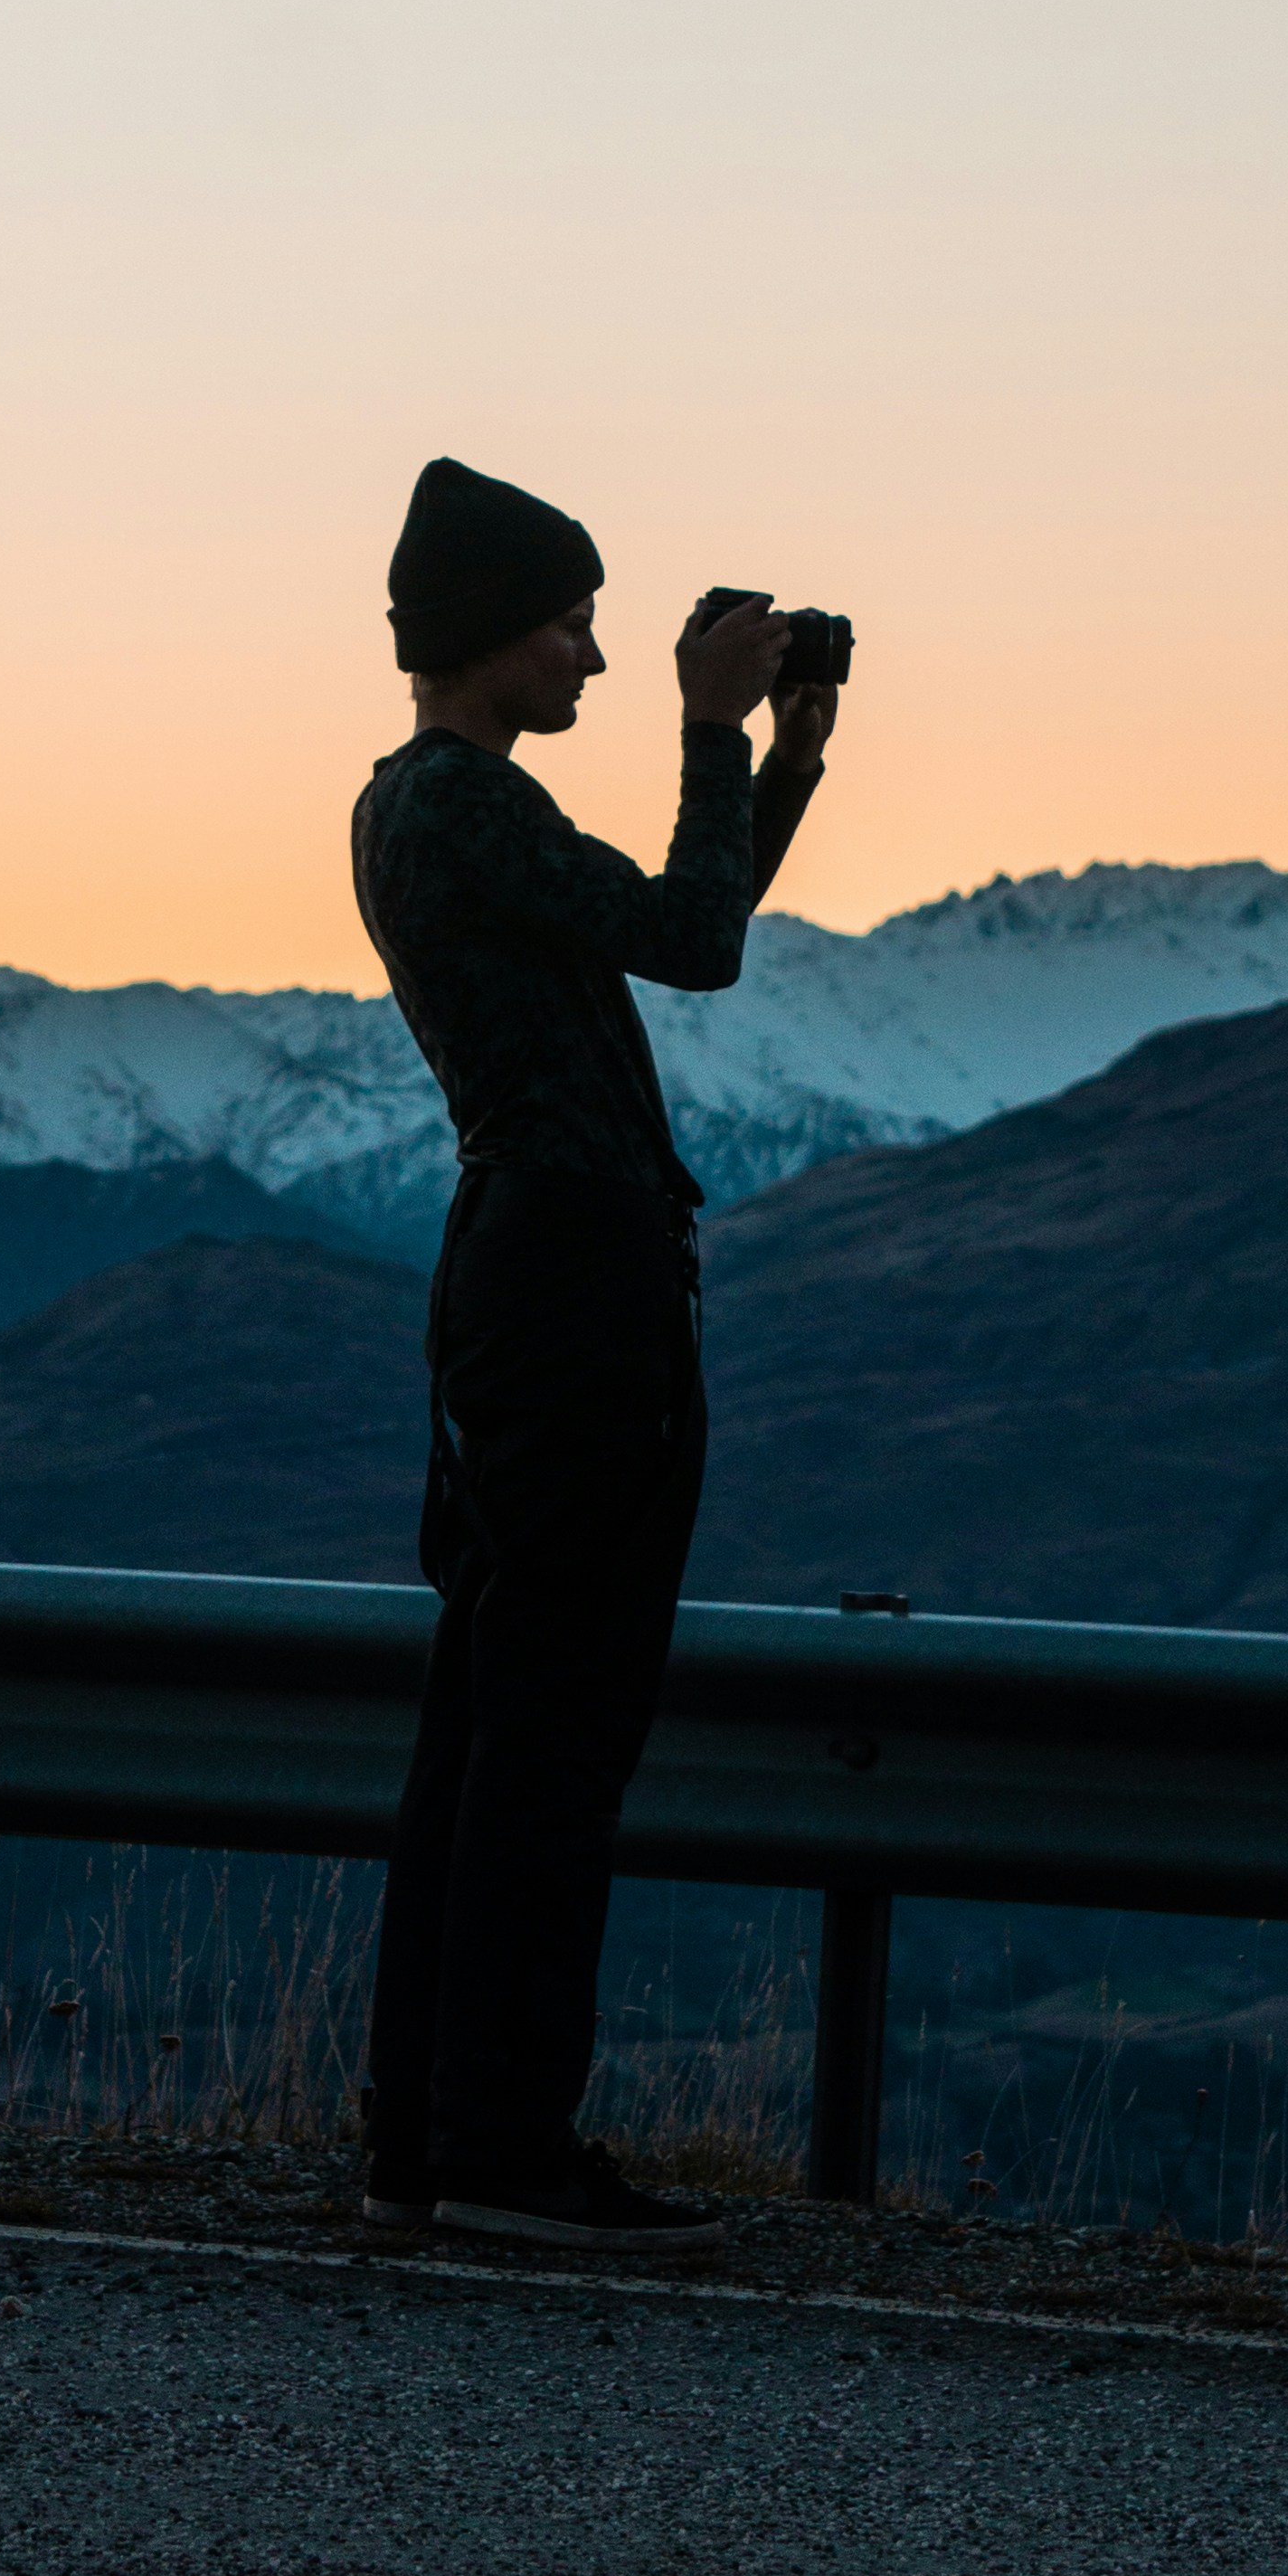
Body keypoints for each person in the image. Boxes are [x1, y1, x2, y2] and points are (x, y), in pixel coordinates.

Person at [349, 452, 837, 2253]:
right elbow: (693, 939)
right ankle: (503, 2150)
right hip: (576, 1287)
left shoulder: (418, 808)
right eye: (573, 626)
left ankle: (433, 2135)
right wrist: (725, 730)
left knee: (485, 1719)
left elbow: (666, 926)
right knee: (556, 1724)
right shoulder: (466, 807)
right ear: (494, 632)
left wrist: (781, 757)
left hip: (515, 1284)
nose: (598, 663)